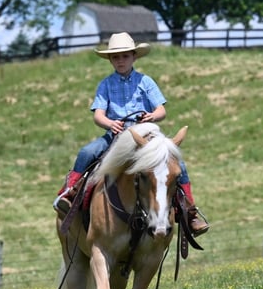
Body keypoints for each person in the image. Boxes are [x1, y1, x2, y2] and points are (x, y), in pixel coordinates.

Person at [54, 32, 209, 236]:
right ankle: (70, 195)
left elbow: (162, 110)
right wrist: (110, 123)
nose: (121, 61)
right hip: (116, 137)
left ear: (134, 57)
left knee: (177, 165)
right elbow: (98, 115)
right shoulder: (106, 84)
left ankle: (190, 212)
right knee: (87, 152)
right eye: (116, 57)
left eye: (125, 56)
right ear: (110, 60)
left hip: (146, 137)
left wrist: (152, 116)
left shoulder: (146, 82)